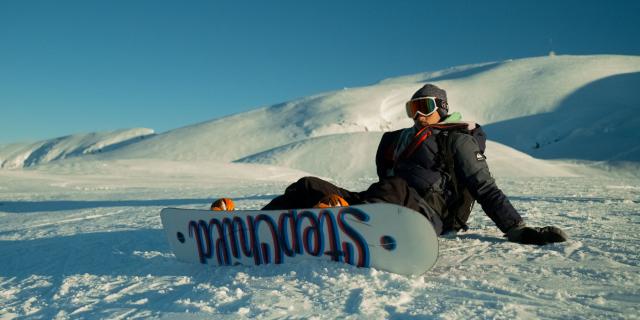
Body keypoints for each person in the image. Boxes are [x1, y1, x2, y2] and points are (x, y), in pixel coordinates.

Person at [211, 84, 567, 245]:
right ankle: (251, 228)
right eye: (413, 109)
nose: (417, 116)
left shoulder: (456, 139)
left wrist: (516, 228)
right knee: (308, 185)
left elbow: (484, 186)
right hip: (386, 201)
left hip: (429, 214)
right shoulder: (400, 140)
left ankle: (338, 223)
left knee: (392, 187)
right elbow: (386, 183)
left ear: (441, 108)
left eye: (424, 108)